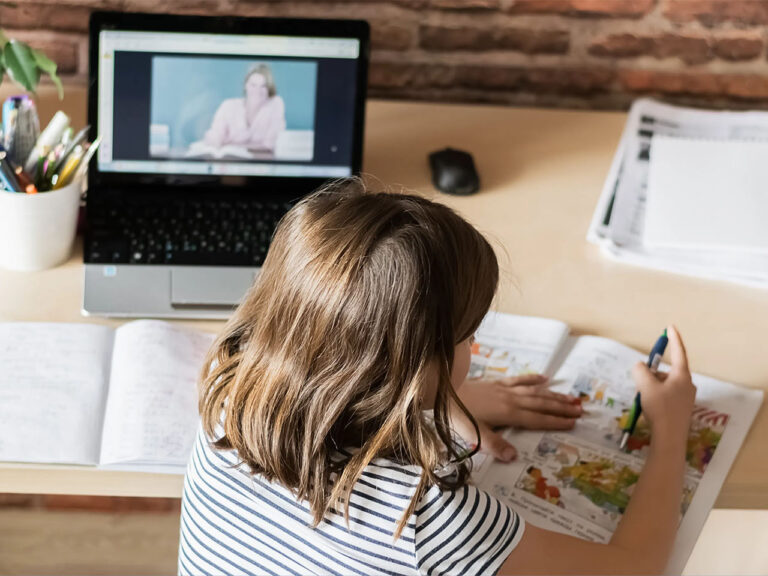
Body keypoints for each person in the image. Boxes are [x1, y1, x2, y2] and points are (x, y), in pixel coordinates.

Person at [179, 178, 696, 575]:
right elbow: (634, 567)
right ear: (411, 371)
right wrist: (671, 429)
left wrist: (442, 396)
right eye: (467, 338)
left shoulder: (226, 394)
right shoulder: (427, 520)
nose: (473, 348)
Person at [202, 64, 286, 152]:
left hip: (261, 159)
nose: (258, 90)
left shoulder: (275, 104)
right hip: (230, 158)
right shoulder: (228, 105)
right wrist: (214, 140)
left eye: (263, 86)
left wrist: (231, 145)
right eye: (253, 85)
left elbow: (270, 145)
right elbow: (215, 134)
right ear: (246, 85)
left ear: (269, 88)